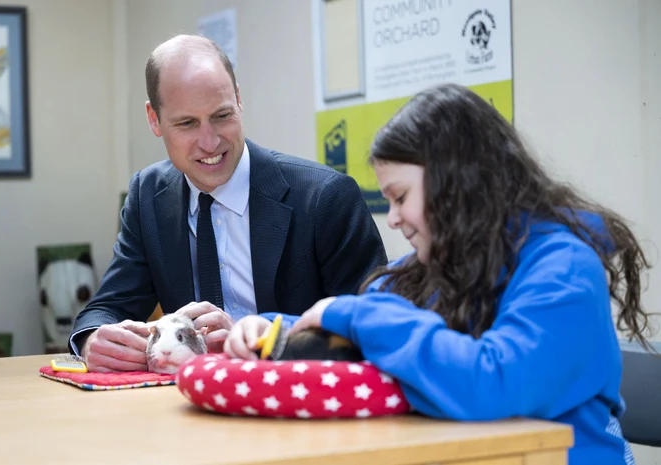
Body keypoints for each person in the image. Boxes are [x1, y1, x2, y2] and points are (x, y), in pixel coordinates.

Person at [224, 83, 654, 465]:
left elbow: (494, 381)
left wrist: (352, 314)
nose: (392, 219)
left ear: (458, 184)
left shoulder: (564, 270)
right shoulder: (433, 263)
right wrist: (273, 330)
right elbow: (359, 322)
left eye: (400, 197)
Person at [69, 34, 387, 372]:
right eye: (187, 123)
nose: (210, 142)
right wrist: (93, 340)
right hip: (188, 406)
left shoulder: (326, 197)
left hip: (297, 406)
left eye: (222, 116)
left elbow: (373, 326)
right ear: (154, 119)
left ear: (238, 99)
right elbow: (108, 307)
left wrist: (261, 339)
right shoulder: (148, 195)